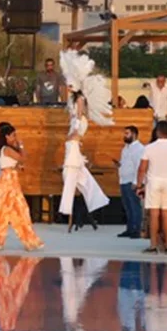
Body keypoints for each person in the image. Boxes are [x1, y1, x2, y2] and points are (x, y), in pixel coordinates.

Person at [0, 123, 44, 252]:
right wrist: (20, 146)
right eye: (13, 135)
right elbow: (23, 158)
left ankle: (29, 240)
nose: (15, 137)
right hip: (7, 181)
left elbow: (17, 162)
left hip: (11, 180)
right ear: (7, 136)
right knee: (1, 211)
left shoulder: (7, 149)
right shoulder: (6, 149)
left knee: (19, 210)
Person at [59, 91, 109, 232]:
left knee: (72, 144)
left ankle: (72, 213)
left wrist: (75, 128)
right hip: (74, 126)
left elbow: (79, 114)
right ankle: (88, 206)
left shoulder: (80, 98)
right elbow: (74, 114)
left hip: (78, 125)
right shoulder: (72, 99)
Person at [136, 120, 167, 254]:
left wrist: (139, 185)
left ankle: (153, 245)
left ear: (157, 132)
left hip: (153, 182)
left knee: (154, 215)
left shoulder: (149, 148)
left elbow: (142, 169)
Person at [113, 125, 144, 239]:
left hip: (132, 181)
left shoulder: (139, 149)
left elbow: (139, 167)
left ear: (134, 135)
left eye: (127, 133)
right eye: (124, 133)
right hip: (123, 180)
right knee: (127, 207)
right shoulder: (125, 148)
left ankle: (137, 229)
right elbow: (125, 163)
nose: (124, 136)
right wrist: (119, 165)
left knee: (134, 206)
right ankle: (130, 228)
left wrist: (137, 182)